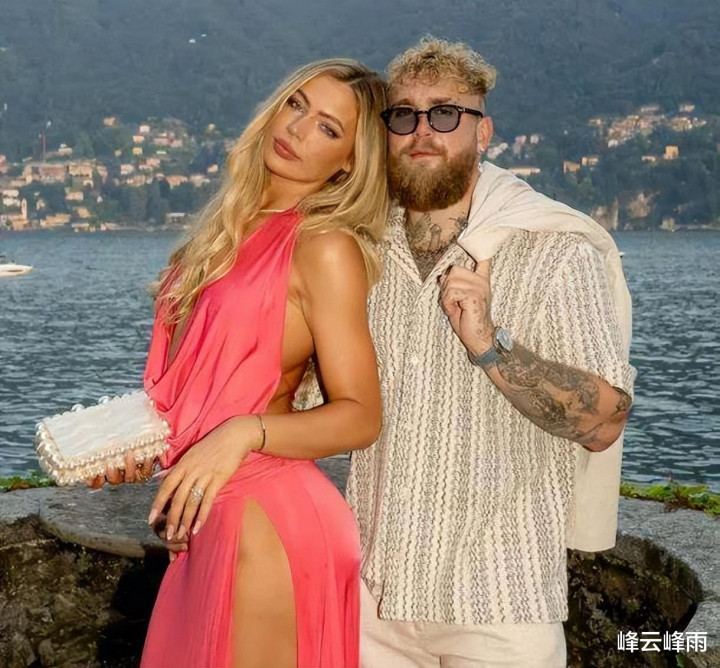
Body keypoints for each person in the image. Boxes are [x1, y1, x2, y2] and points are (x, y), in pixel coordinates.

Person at [346, 37, 636, 667]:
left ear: (483, 132)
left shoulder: (556, 251)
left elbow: (603, 423)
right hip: (368, 598)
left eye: (446, 113)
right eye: (404, 114)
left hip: (500, 606)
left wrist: (488, 342)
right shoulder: (358, 250)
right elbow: (304, 392)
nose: (423, 130)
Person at [92, 58, 390, 668]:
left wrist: (240, 434)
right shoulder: (222, 233)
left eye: (328, 128)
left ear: (350, 163)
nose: (299, 128)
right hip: (206, 512)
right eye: (297, 104)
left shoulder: (324, 247)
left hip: (267, 519)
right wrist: (145, 447)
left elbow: (362, 416)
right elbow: (201, 387)